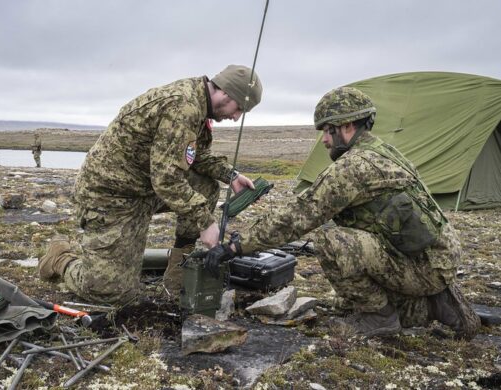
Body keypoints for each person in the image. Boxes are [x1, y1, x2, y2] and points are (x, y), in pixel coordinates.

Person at [206, 86, 480, 339]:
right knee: (345, 297)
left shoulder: (352, 168)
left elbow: (298, 216)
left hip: (424, 265)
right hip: (435, 256)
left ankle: (379, 317)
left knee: (331, 241)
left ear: (347, 126)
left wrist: (235, 246)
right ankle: (435, 304)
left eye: (328, 130)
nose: (324, 140)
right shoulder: (385, 151)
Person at [38, 65, 262, 305]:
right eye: (239, 108)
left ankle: (177, 276)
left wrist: (231, 175)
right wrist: (205, 222)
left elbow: (192, 156)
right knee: (112, 292)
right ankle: (60, 258)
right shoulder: (182, 106)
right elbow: (166, 179)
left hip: (145, 188)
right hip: (112, 197)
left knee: (204, 187)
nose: (236, 117)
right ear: (226, 93)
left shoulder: (198, 106)